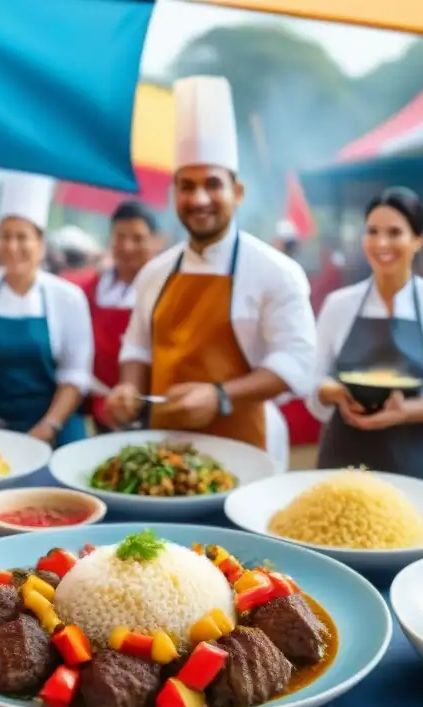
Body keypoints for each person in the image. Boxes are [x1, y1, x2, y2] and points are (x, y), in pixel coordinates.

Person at [106, 76, 316, 471]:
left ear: (238, 192)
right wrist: (128, 387)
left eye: (212, 185)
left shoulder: (276, 272)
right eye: (187, 186)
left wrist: (220, 395)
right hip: (162, 453)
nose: (199, 199)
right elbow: (136, 347)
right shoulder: (155, 272)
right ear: (174, 194)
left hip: (247, 450)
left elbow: (297, 365)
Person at [308, 187, 423, 484]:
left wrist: (405, 411)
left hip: (414, 455)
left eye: (395, 233)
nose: (381, 243)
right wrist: (334, 392)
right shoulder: (339, 304)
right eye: (372, 232)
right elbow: (312, 376)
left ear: (418, 241)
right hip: (344, 454)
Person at [0, 172, 92, 445]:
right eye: (5, 236)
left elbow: (75, 374)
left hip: (54, 428)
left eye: (22, 237)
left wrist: (49, 426)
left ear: (40, 244)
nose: (12, 246)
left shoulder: (68, 297)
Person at [81, 201, 160, 432]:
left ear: (155, 242)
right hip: (102, 405)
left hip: (151, 408)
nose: (127, 246)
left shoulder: (168, 289)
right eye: (120, 237)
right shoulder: (90, 290)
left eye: (137, 238)